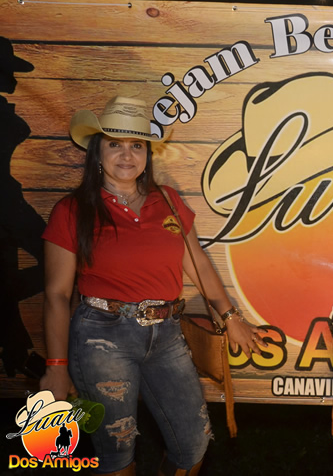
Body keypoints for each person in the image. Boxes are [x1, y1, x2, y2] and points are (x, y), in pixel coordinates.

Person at [39, 96, 267, 476]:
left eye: (137, 145)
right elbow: (57, 295)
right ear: (97, 152)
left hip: (166, 334)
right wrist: (57, 366)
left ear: (147, 153)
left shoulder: (168, 201)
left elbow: (198, 264)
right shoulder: (72, 210)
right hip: (102, 338)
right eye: (115, 144)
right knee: (117, 452)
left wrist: (230, 317)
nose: (127, 155)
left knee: (194, 443)